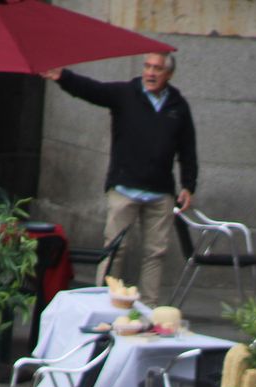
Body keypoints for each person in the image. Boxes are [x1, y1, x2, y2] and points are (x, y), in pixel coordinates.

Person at [44, 52, 197, 303]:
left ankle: (147, 307)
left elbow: (187, 147)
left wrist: (188, 185)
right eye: (147, 66)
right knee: (115, 248)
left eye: (157, 68)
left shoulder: (178, 106)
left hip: (160, 191)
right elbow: (94, 91)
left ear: (168, 74)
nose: (150, 72)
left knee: (155, 253)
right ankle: (105, 300)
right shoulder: (127, 93)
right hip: (125, 186)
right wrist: (64, 77)